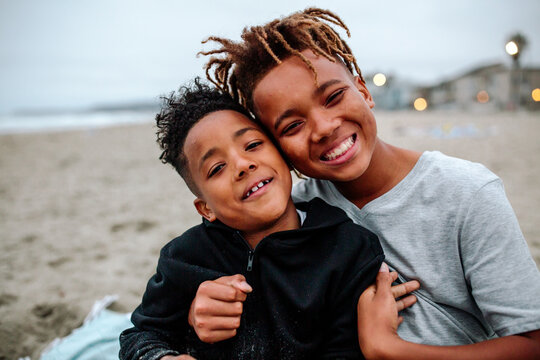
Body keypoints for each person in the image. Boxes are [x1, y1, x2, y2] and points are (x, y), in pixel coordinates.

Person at [192, 7, 540, 359]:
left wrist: (388, 349)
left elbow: (532, 344)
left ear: (363, 91)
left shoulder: (466, 193)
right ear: (279, 148)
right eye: (292, 126)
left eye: (333, 97)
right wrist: (198, 309)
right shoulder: (290, 214)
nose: (325, 127)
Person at [119, 79, 418, 360]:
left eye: (252, 145)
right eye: (217, 168)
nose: (243, 165)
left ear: (282, 153)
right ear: (205, 208)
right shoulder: (183, 258)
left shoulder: (348, 248)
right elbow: (141, 336)